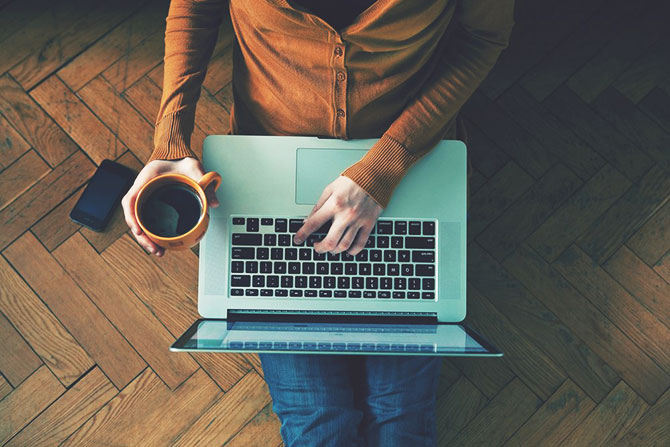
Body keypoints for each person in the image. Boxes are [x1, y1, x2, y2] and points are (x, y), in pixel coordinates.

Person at [122, 1, 514, 445]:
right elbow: (195, 8)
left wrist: (384, 168)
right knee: (318, 421)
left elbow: (482, 38)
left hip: (409, 160)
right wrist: (169, 140)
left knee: (399, 417)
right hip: (268, 161)